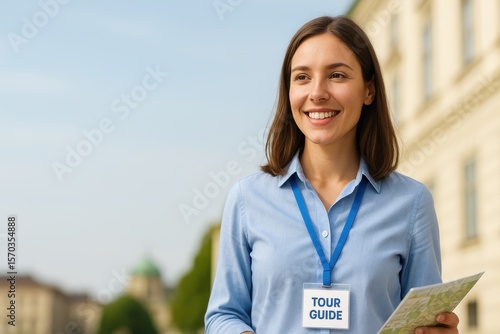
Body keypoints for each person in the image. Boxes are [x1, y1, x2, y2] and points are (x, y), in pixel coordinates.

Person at [205, 15, 460, 333]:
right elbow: (222, 314)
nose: (317, 92)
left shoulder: (412, 202)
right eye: (302, 77)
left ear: (369, 90)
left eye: (337, 75)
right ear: (289, 92)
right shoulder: (247, 199)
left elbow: (422, 319)